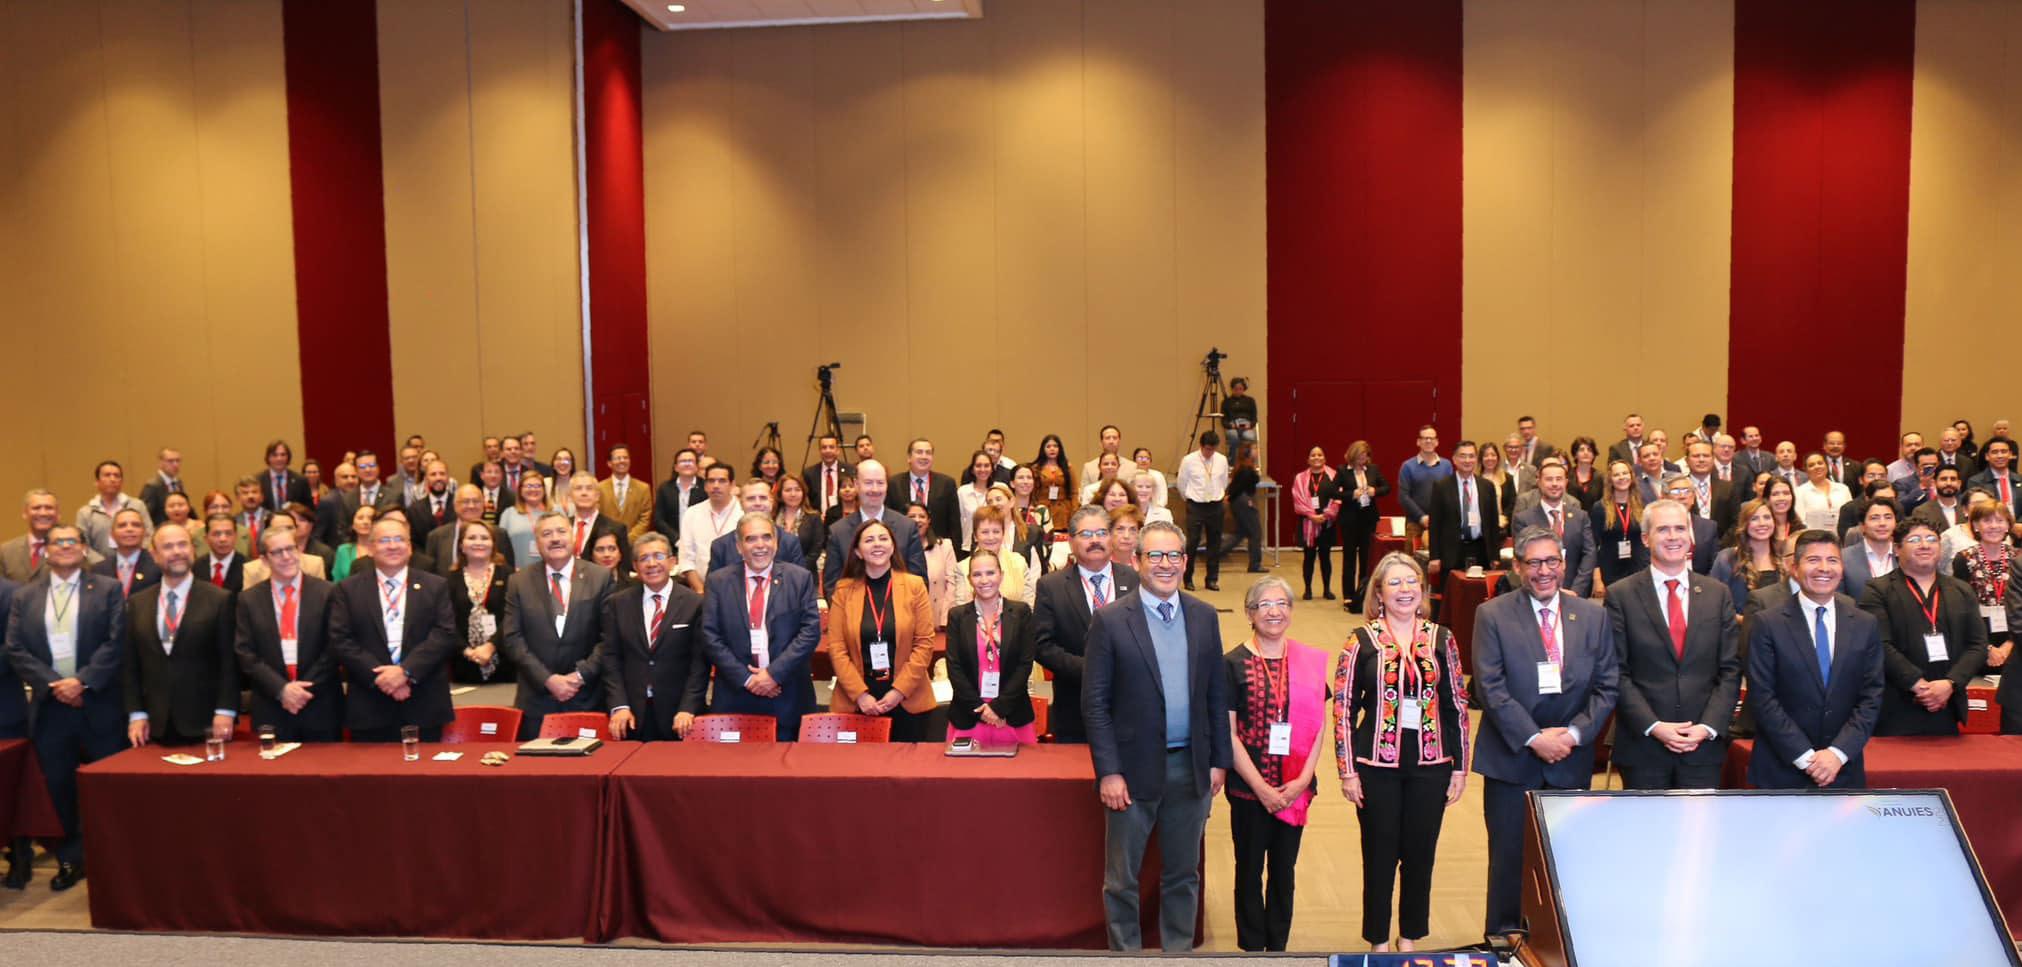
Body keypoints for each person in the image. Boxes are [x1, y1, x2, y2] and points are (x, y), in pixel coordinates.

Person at [1084, 521, 1230, 952]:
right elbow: (1095, 704)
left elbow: (1216, 695)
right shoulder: (1110, 621)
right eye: (1155, 555)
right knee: (1122, 879)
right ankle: (1126, 957)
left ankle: (1177, 955)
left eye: (1173, 556)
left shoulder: (1204, 616)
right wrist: (1109, 772)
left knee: (1183, 874)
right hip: (1131, 772)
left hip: (1191, 767)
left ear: (1185, 562)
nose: (1165, 564)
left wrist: (1218, 760)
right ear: (1136, 561)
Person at [1472, 526, 1618, 937]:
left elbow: (1607, 685)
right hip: (1511, 760)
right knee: (1509, 859)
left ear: (1564, 564)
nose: (1544, 571)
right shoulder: (1493, 614)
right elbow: (1490, 688)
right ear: (1518, 567)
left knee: (1563, 860)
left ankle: (1555, 942)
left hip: (1571, 759)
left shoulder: (1592, 616)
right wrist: (1535, 738)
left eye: (1552, 561)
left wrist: (1573, 735)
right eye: (1533, 562)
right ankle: (1504, 942)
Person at [1336, 555, 1466, 952]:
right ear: (1379, 593)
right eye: (1394, 583)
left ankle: (1409, 937)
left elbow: (1456, 704)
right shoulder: (1361, 640)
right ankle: (1377, 939)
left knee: (1420, 854)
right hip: (1376, 766)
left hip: (1432, 764)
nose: (1405, 590)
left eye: (1412, 581)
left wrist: (1460, 767)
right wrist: (1347, 770)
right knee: (1379, 854)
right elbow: (1343, 707)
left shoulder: (1442, 638)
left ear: (1422, 590)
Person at [1, 524, 123, 890]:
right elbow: (16, 648)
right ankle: (72, 859)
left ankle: (116, 861)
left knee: (109, 787)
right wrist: (55, 685)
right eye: (58, 542)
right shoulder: (26, 596)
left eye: (73, 541)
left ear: (84, 549)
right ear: (46, 551)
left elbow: (116, 642)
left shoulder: (109, 589)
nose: (66, 546)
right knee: (58, 787)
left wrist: (81, 682)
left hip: (99, 703)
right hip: (51, 708)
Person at [1212, 575, 1327, 952]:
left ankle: (1278, 948)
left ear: (1291, 611)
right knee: (1248, 870)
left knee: (1284, 871)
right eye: (1263, 605)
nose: (1273, 612)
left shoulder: (1307, 662)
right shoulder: (1231, 664)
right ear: (1249, 614)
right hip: (1249, 790)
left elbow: (1318, 725)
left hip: (1295, 787)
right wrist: (1261, 788)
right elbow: (1228, 734)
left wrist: (1303, 779)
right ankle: (1251, 949)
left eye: (1281, 604)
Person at [1604, 501, 1741, 790]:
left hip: (1702, 746)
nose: (1673, 536)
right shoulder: (1620, 595)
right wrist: (1654, 726)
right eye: (1663, 529)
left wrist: (1707, 727)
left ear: (1690, 536)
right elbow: (1616, 672)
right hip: (1644, 747)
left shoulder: (1718, 594)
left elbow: (1730, 669)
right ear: (1645, 538)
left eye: (1680, 528)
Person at [1746, 529, 1886, 789]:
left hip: (1842, 768)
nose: (1824, 568)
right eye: (1813, 560)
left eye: (1832, 560)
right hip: (1781, 767)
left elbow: (1872, 695)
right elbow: (1763, 697)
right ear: (1794, 568)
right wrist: (1806, 758)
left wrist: (1837, 754)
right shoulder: (1768, 623)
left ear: (1842, 569)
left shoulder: (1864, 623)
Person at [328, 517, 459, 742]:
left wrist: (405, 672)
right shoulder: (347, 589)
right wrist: (382, 678)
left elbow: (444, 634)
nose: (392, 546)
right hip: (370, 704)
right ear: (370, 548)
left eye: (399, 539)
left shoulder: (435, 585)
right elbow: (340, 639)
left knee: (425, 765)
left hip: (424, 701)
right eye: (384, 540)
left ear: (409, 547)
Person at [1860, 518, 1986, 737]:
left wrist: (1950, 683)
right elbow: (1879, 644)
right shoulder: (1877, 590)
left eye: (1931, 539)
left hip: (1948, 703)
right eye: (1914, 540)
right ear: (1897, 549)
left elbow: (1977, 645)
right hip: (1896, 706)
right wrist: (1919, 685)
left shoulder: (1961, 590)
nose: (1924, 545)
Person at [700, 513, 821, 740]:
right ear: (739, 546)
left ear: (776, 542)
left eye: (766, 537)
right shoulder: (718, 582)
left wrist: (773, 675)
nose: (760, 545)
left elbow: (810, 632)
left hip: (788, 695)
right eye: (751, 539)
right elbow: (710, 636)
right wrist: (748, 679)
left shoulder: (799, 578)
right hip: (736, 696)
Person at [119, 522, 237, 748]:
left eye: (182, 544)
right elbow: (131, 665)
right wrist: (136, 713)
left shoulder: (220, 599)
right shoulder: (137, 603)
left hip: (207, 721)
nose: (177, 552)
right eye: (168, 547)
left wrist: (225, 711)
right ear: (154, 554)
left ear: (193, 549)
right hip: (155, 723)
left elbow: (229, 662)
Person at [499, 512, 615, 738]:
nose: (555, 539)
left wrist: (580, 676)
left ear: (573, 536)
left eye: (561, 531)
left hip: (587, 698)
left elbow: (610, 636)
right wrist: (547, 680)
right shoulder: (519, 581)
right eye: (546, 534)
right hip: (537, 700)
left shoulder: (600, 577)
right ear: (537, 542)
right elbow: (512, 638)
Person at [824, 519, 937, 741]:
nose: (877, 544)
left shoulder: (914, 586)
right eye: (869, 540)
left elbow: (924, 643)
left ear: (893, 547)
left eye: (883, 538)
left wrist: (899, 691)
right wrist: (860, 695)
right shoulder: (844, 590)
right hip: (858, 701)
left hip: (907, 700)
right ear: (858, 551)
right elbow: (836, 647)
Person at [1034, 506, 1138, 744]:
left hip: (1131, 703)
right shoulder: (1051, 586)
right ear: (1071, 542)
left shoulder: (1134, 580)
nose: (1095, 541)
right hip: (1075, 705)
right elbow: (1042, 646)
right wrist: (1090, 669)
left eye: (1101, 533)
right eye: (1086, 534)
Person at [235, 527, 342, 743]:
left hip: (320, 703)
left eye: (290, 549)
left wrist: (301, 690)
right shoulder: (248, 599)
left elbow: (335, 646)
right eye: (277, 552)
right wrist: (281, 689)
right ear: (264, 560)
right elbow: (245, 652)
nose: (286, 557)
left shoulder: (328, 592)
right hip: (272, 705)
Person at [600, 533, 707, 741]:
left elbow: (699, 664)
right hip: (631, 714)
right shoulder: (617, 604)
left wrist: (688, 707)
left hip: (680, 716)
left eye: (658, 556)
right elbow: (610, 659)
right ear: (635, 566)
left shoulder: (694, 603)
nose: (651, 564)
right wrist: (619, 705)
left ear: (672, 562)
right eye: (644, 558)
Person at [944, 549, 1038, 746]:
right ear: (969, 579)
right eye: (977, 574)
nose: (984, 580)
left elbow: (1025, 664)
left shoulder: (1021, 612)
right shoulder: (957, 616)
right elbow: (954, 667)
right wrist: (981, 709)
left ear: (1001, 575)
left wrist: (998, 708)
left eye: (990, 573)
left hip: (1011, 713)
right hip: (969, 714)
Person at [821, 460, 926, 598]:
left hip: (901, 608)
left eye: (880, 483)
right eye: (869, 483)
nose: (875, 489)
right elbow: (832, 587)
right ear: (856, 484)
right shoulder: (838, 532)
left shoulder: (907, 527)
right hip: (853, 609)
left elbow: (919, 582)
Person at [1512, 461, 1597, 598]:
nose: (1555, 484)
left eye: (1559, 479)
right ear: (1539, 482)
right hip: (1539, 592)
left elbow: (1589, 554)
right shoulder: (1524, 519)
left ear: (1566, 482)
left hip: (1575, 593)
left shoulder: (1580, 517)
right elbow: (1524, 560)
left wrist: (1577, 590)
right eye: (1549, 479)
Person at [1426, 440, 1502, 579]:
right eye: (1463, 456)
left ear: (1476, 459)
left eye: (1471, 456)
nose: (1467, 460)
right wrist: (1434, 556)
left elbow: (1493, 523)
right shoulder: (1441, 487)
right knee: (1453, 591)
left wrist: (1495, 555)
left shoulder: (1487, 486)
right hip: (1451, 552)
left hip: (1481, 551)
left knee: (1479, 591)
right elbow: (1435, 524)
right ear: (1454, 459)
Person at [446, 520, 510, 685]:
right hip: (463, 663)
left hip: (505, 662)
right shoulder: (448, 580)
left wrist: (491, 646)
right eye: (472, 538)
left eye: (484, 538)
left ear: (493, 544)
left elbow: (513, 617)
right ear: (462, 545)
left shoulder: (509, 576)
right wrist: (467, 651)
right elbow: (445, 621)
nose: (479, 542)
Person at [707, 479, 808, 574]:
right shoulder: (721, 546)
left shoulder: (790, 542)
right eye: (751, 499)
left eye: (763, 498)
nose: (757, 503)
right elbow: (714, 584)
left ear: (772, 501)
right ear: (741, 503)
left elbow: (799, 582)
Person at [1330, 442, 1388, 603]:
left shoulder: (1373, 469)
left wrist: (1375, 491)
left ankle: (1363, 593)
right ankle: (1348, 595)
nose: (1363, 459)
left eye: (1366, 456)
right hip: (1349, 519)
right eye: (1360, 456)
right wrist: (1351, 494)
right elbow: (1332, 492)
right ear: (1353, 455)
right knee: (1349, 557)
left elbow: (1386, 487)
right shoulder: (1343, 470)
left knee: (1366, 557)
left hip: (1368, 519)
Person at [1177, 431, 1230, 592]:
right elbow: (1182, 483)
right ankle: (1188, 578)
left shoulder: (1221, 460)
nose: (1210, 452)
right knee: (1192, 542)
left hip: (1215, 504)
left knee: (1214, 543)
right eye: (1207, 449)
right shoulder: (1189, 460)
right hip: (1196, 505)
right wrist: (1189, 498)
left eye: (1213, 449)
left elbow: (1224, 481)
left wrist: (1218, 495)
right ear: (1201, 446)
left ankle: (1212, 579)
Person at [952, 504, 1034, 608]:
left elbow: (1029, 605)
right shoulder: (962, 568)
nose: (991, 537)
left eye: (996, 531)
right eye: (985, 532)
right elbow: (961, 609)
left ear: (1003, 534)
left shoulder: (1019, 562)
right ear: (975, 536)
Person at [676, 464, 741, 591]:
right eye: (711, 481)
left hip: (740, 588)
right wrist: (701, 591)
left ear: (732, 485)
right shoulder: (692, 513)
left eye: (722, 481)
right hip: (701, 588)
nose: (716, 485)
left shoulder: (743, 512)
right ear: (705, 485)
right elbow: (686, 559)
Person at [1713, 499, 1784, 610]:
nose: (1762, 523)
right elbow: (1715, 603)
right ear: (1745, 524)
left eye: (1767, 517)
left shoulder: (1784, 557)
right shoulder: (1727, 559)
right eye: (1754, 519)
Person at [1291, 446, 1338, 601]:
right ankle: (1308, 590)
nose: (1316, 457)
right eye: (1313, 455)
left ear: (1324, 458)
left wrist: (1326, 514)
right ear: (1308, 460)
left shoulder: (1334, 476)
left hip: (1327, 523)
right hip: (1307, 523)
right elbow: (1298, 500)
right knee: (1308, 557)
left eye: (1320, 454)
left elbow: (1338, 498)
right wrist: (1311, 516)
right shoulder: (1300, 478)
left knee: (1325, 557)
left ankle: (1327, 589)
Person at [73, 461, 150, 556]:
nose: (112, 479)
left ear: (121, 481)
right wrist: (102, 562)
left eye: (117, 476)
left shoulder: (137, 506)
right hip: (98, 564)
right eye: (107, 475)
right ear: (97, 482)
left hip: (136, 561)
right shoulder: (85, 513)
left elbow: (148, 535)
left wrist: (135, 558)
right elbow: (83, 544)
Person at [897, 438, 960, 549]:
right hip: (903, 547)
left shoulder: (946, 483)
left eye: (928, 453)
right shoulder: (894, 484)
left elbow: (954, 524)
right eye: (919, 452)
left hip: (938, 547)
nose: (924, 456)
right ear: (909, 457)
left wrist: (955, 552)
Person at [1396, 425, 1451, 551]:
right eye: (1425, 438)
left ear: (1437, 442)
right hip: (1414, 524)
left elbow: (1450, 493)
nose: (1428, 441)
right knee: (1412, 560)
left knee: (1440, 559)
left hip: (1441, 523)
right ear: (1418, 442)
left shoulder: (1446, 465)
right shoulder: (1407, 466)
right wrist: (1421, 517)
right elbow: (1403, 496)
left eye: (1432, 438)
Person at [91, 508, 160, 600]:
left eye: (136, 525)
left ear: (145, 532)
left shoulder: (158, 566)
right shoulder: (98, 570)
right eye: (122, 526)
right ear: (112, 534)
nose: (129, 529)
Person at [907, 503, 957, 628]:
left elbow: (952, 583)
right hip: (908, 619)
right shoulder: (897, 548)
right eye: (912, 516)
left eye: (922, 516)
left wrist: (945, 619)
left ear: (928, 521)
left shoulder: (944, 546)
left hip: (938, 619)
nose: (917, 520)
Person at [1840, 497, 1901, 597]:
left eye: (1888, 517)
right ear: (1862, 526)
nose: (1882, 523)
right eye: (1874, 518)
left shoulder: (1905, 555)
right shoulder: (1844, 558)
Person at [1221, 444, 1265, 574]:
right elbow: (1240, 487)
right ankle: (1255, 564)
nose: (1257, 451)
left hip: (1239, 501)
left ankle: (1215, 553)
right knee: (1255, 532)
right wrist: (1246, 502)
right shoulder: (1246, 470)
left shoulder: (1242, 468)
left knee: (1240, 533)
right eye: (1254, 449)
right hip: (1243, 501)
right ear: (1248, 453)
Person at [497, 471, 555, 565]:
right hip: (518, 569)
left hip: (552, 568)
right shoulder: (508, 514)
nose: (533, 489)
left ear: (544, 490)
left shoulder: (556, 511)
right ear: (520, 490)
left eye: (538, 486)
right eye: (528, 486)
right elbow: (501, 548)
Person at [653, 448, 707, 545]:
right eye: (683, 461)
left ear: (697, 466)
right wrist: (676, 539)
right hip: (672, 543)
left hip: (700, 541)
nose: (687, 464)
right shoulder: (665, 488)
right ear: (676, 467)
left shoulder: (706, 487)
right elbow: (659, 519)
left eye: (690, 461)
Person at [1967, 436, 2022, 529]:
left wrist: (2018, 525)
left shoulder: (2020, 479)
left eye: (2004, 451)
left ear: (2010, 454)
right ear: (1987, 456)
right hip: (1991, 530)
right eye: (1995, 452)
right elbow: (1976, 512)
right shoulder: (1976, 482)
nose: (2000, 456)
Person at [1794, 452, 1852, 532]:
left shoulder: (1843, 489)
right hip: (1813, 538)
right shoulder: (1799, 492)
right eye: (1811, 465)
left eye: (1820, 463)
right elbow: (1801, 522)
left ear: (1826, 466)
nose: (1817, 467)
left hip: (1843, 537)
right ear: (1806, 470)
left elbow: (1851, 517)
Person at [775, 474, 824, 564]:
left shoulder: (814, 518)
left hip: (805, 569)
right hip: (775, 569)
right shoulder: (772, 517)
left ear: (803, 493)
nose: (793, 494)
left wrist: (797, 569)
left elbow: (815, 551)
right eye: (788, 490)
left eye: (797, 490)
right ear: (780, 494)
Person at [193, 514, 246, 593]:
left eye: (228, 533)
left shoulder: (248, 566)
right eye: (216, 534)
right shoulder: (196, 566)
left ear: (235, 537)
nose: (223, 539)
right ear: (206, 539)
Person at [957, 450, 997, 553]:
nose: (982, 469)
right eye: (978, 466)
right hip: (968, 547)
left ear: (992, 468)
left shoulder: (999, 488)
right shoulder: (963, 492)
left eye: (986, 465)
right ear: (972, 469)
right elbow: (959, 521)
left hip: (996, 545)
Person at [801, 435, 850, 518]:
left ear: (838, 450)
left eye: (831, 447)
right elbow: (805, 501)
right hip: (817, 520)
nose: (828, 451)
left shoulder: (849, 470)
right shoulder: (809, 473)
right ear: (820, 451)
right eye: (824, 447)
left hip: (844, 519)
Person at [256, 440, 312, 511]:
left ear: (288, 457)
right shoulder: (258, 480)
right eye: (274, 455)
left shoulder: (300, 480)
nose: (279, 458)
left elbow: (309, 509)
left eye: (283, 455)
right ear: (268, 458)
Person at [1913, 464, 1968, 532]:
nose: (1948, 483)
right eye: (1943, 479)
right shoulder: (1922, 511)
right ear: (1934, 483)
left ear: (1959, 484)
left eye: (1953, 479)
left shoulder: (1968, 508)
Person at [139, 447, 185, 523]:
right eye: (170, 461)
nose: (175, 464)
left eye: (178, 460)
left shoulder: (178, 482)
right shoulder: (152, 486)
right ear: (160, 463)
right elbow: (145, 515)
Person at [1477, 440, 1511, 529]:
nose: (1490, 458)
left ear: (1498, 457)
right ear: (1481, 459)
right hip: (1482, 526)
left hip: (1504, 526)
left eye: (1493, 455)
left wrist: (1504, 518)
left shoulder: (1507, 478)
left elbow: (1512, 503)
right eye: (1486, 455)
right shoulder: (1475, 480)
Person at [1564, 437, 1604, 508]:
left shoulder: (1601, 478)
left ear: (1594, 455)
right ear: (1575, 455)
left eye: (1589, 450)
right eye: (1581, 450)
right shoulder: (1567, 476)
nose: (1586, 453)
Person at [1031, 434, 1075, 499]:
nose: (1052, 449)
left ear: (1059, 449)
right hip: (1042, 504)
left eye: (1055, 446)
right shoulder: (1036, 468)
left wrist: (1074, 505)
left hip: (1063, 504)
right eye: (1048, 447)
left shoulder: (1067, 467)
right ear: (1043, 449)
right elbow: (1032, 492)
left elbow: (1074, 492)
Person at [1081, 425, 1124, 491]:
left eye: (1115, 438)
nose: (1111, 441)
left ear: (1119, 441)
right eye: (1108, 438)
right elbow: (1084, 493)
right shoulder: (1088, 467)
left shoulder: (1132, 466)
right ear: (1101, 442)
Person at [1221, 376, 1259, 450]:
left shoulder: (1250, 400)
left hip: (1247, 426)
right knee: (1233, 436)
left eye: (1240, 389)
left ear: (1244, 389)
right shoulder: (1226, 402)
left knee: (1250, 437)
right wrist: (1230, 425)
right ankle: (1233, 457)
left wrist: (1250, 425)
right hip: (1232, 426)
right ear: (1232, 389)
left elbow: (1254, 418)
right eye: (1236, 389)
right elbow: (1224, 420)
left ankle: (1247, 456)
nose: (1238, 391)